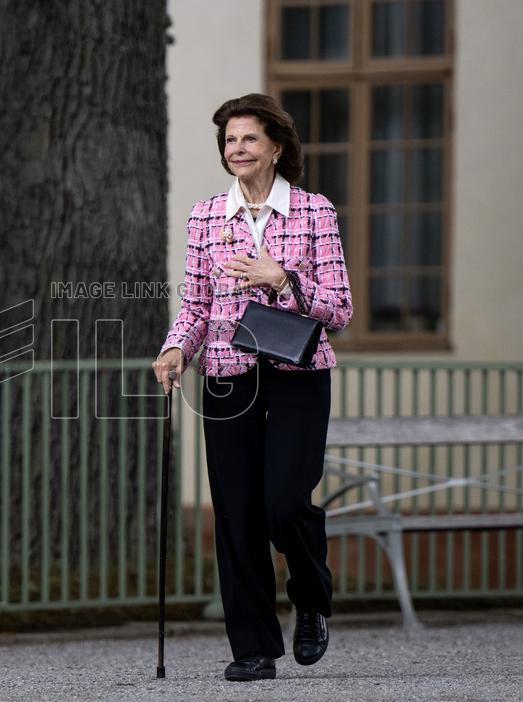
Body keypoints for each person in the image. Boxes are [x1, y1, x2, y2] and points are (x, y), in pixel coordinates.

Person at [151, 93, 352, 682]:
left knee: (286, 501)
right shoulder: (206, 216)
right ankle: (254, 648)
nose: (236, 149)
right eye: (229, 141)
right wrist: (174, 349)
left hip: (298, 373)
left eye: (248, 139)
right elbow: (196, 304)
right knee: (237, 512)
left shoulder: (315, 213)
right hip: (228, 375)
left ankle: (311, 596)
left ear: (277, 148)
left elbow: (339, 310)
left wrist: (282, 278)